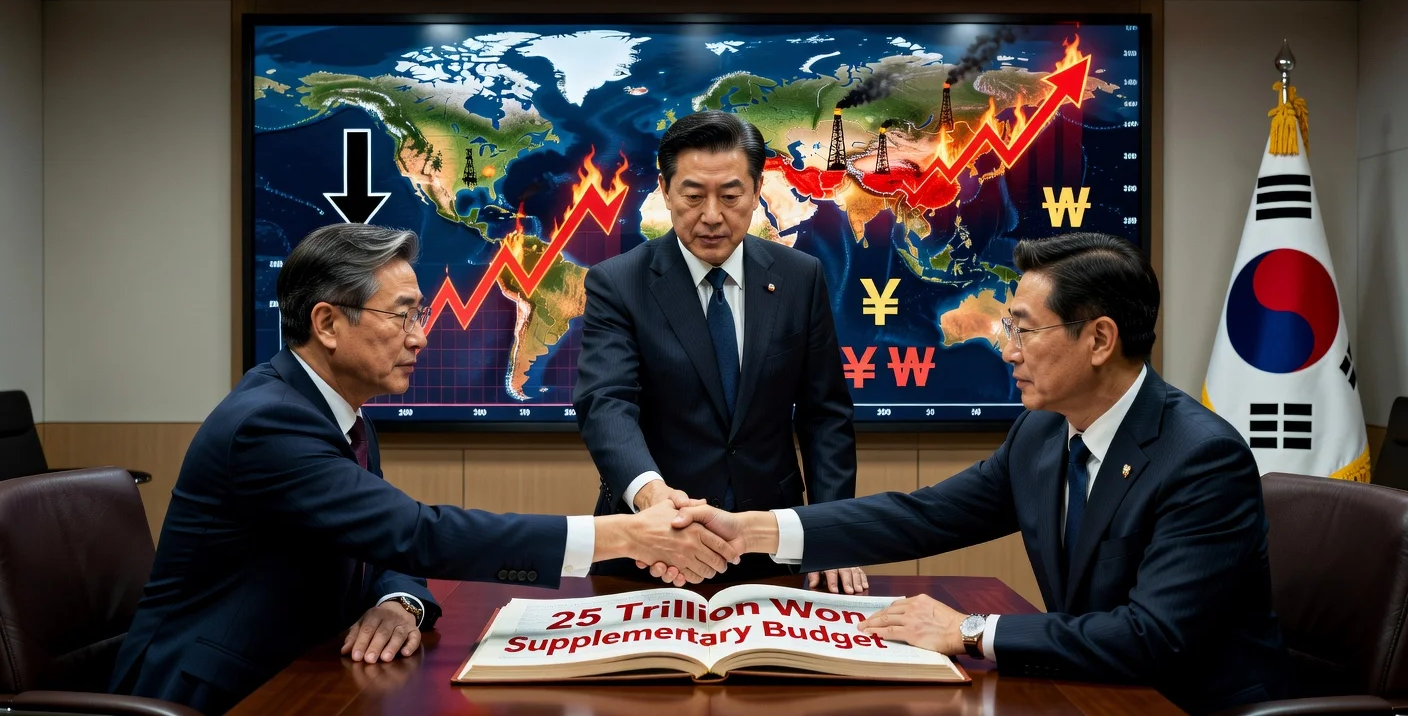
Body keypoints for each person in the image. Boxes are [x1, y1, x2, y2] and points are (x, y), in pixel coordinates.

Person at [111, 224, 740, 715]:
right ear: (327, 323)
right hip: (217, 691)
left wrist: (399, 601)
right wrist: (624, 536)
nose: (420, 337)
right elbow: (416, 532)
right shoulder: (269, 424)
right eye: (403, 315)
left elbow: (380, 540)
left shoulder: (338, 414)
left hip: (300, 668)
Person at [664, 233, 1290, 714]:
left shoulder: (1201, 459)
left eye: (1024, 329)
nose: (1007, 349)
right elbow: (924, 516)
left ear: (1100, 339)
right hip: (1091, 689)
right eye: (1008, 327)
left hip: (1185, 704)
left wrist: (968, 630)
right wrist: (754, 530)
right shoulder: (1043, 433)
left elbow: (1151, 637)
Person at [574, 111, 866, 592]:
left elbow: (825, 415)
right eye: (693, 196)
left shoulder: (800, 277)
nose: (711, 215)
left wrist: (830, 532)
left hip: (770, 546)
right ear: (665, 191)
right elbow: (606, 403)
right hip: (650, 545)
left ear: (757, 191)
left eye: (730, 196)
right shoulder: (619, 283)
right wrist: (652, 498)